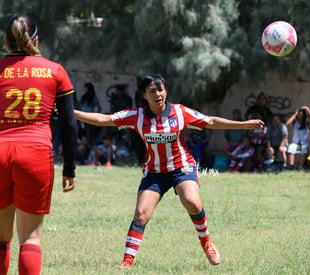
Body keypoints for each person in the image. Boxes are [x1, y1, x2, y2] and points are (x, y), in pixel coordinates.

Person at [74, 73, 264, 269]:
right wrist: (71, 113)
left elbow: (210, 122)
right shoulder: (137, 116)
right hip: (155, 172)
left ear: (166, 91)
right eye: (152, 91)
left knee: (191, 201)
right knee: (140, 214)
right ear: (144, 95)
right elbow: (103, 119)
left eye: (161, 90)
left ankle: (207, 243)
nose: (158, 94)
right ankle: (126, 264)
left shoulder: (180, 112)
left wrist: (244, 125)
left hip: (182, 168)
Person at [0, 14, 77, 275]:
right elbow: (69, 124)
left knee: (1, 239)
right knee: (30, 239)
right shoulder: (55, 71)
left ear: (5, 41)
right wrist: (70, 167)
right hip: (34, 155)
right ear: (36, 39)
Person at [79, 82, 102, 147]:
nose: (84, 89)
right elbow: (80, 107)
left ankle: (88, 143)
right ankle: (84, 142)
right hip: (82, 116)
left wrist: (95, 115)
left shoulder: (93, 97)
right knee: (83, 130)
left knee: (88, 130)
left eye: (85, 88)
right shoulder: (83, 97)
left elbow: (99, 108)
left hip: (90, 116)